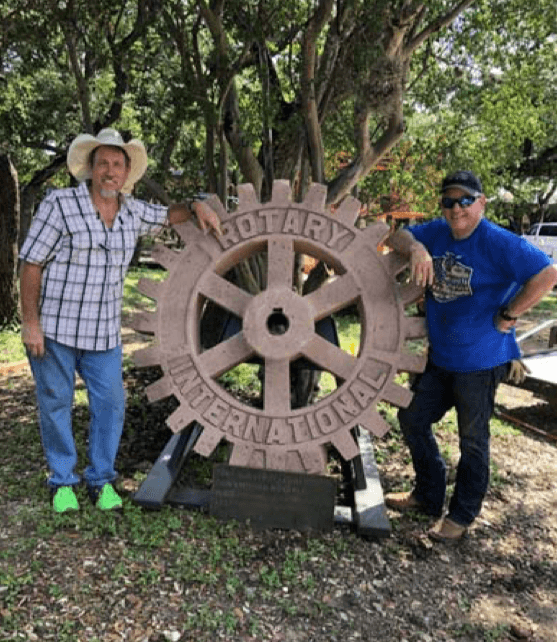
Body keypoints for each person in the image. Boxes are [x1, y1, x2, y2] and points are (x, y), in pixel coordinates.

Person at [19, 128, 221, 513]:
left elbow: (169, 214)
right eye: (103, 164)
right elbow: (30, 265)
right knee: (56, 403)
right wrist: (31, 323)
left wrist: (197, 204)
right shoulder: (59, 204)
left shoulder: (133, 210)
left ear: (127, 173)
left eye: (117, 164)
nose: (110, 171)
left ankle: (101, 479)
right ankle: (63, 481)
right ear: (91, 169)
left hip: (102, 334)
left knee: (111, 404)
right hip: (56, 330)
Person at [384, 170, 557, 542]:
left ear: (481, 202)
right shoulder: (437, 231)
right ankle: (428, 495)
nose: (456, 208)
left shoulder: (499, 242)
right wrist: (414, 247)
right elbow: (394, 235)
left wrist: (509, 315)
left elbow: (546, 274)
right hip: (442, 358)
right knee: (413, 418)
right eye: (449, 201)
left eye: (465, 200)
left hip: (480, 362)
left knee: (473, 441)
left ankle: (460, 517)